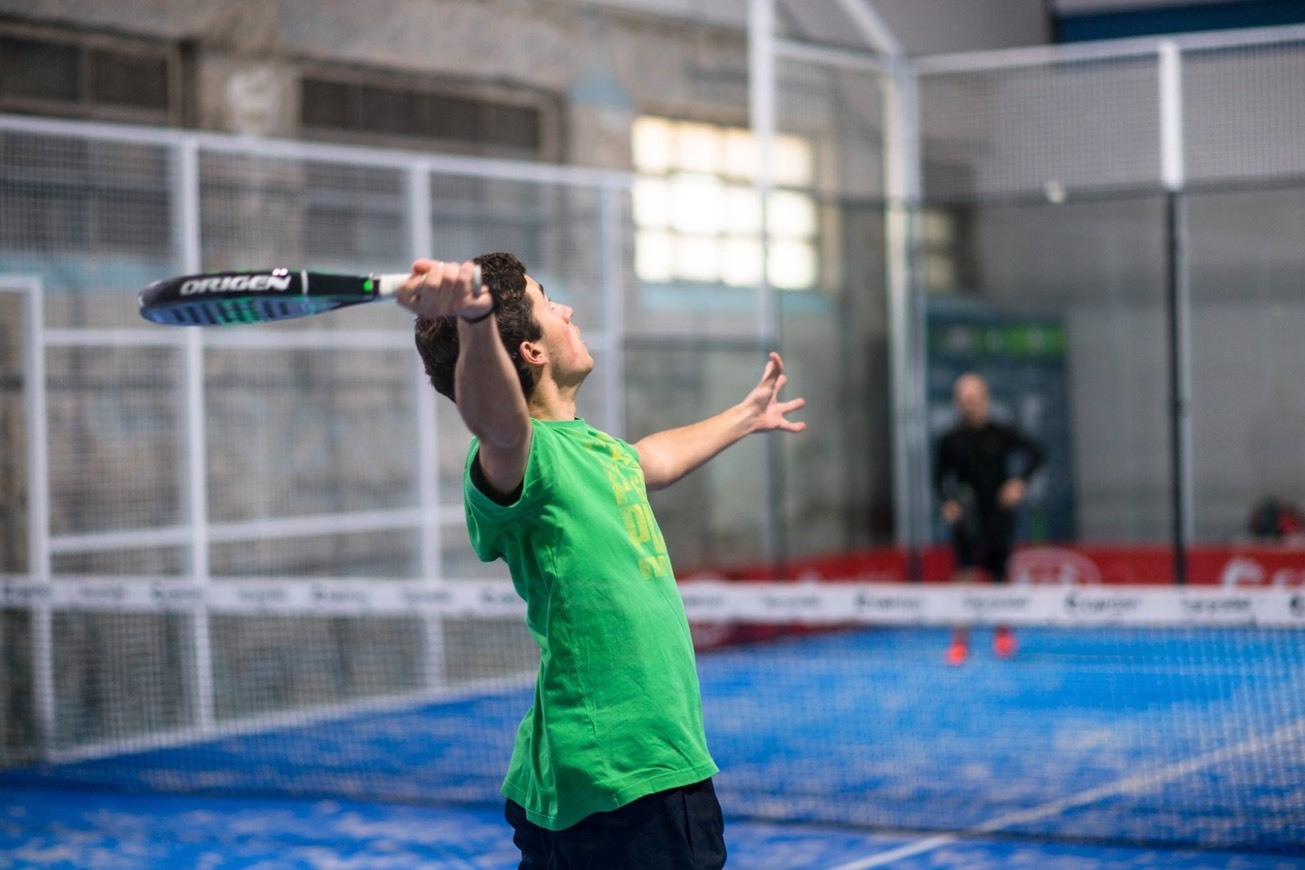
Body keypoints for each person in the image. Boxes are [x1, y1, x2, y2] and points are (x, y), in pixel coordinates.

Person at [397, 252, 806, 869]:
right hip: (624, 774)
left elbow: (654, 459)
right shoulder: (523, 458)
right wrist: (478, 317)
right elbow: (496, 424)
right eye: (548, 300)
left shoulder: (595, 450)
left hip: (623, 768)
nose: (567, 310)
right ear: (531, 352)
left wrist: (744, 417)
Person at [932, 372, 1044, 666]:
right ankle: (959, 642)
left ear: (985, 399)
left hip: (998, 517)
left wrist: (1019, 482)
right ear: (958, 403)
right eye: (964, 399)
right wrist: (948, 504)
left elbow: (1036, 453)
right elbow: (938, 481)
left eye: (975, 398)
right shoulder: (949, 440)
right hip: (967, 520)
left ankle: (1004, 634)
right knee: (963, 576)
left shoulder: (1001, 433)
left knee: (999, 576)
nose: (970, 404)